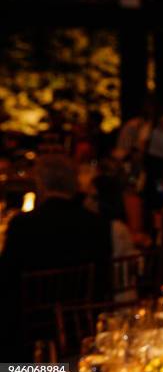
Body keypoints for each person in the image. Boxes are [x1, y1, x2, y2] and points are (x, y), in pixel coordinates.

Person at [0, 154, 111, 361]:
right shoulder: (96, 224)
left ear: (40, 185)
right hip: (80, 323)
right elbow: (103, 280)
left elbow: (7, 277)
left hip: (28, 329)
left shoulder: (23, 225)